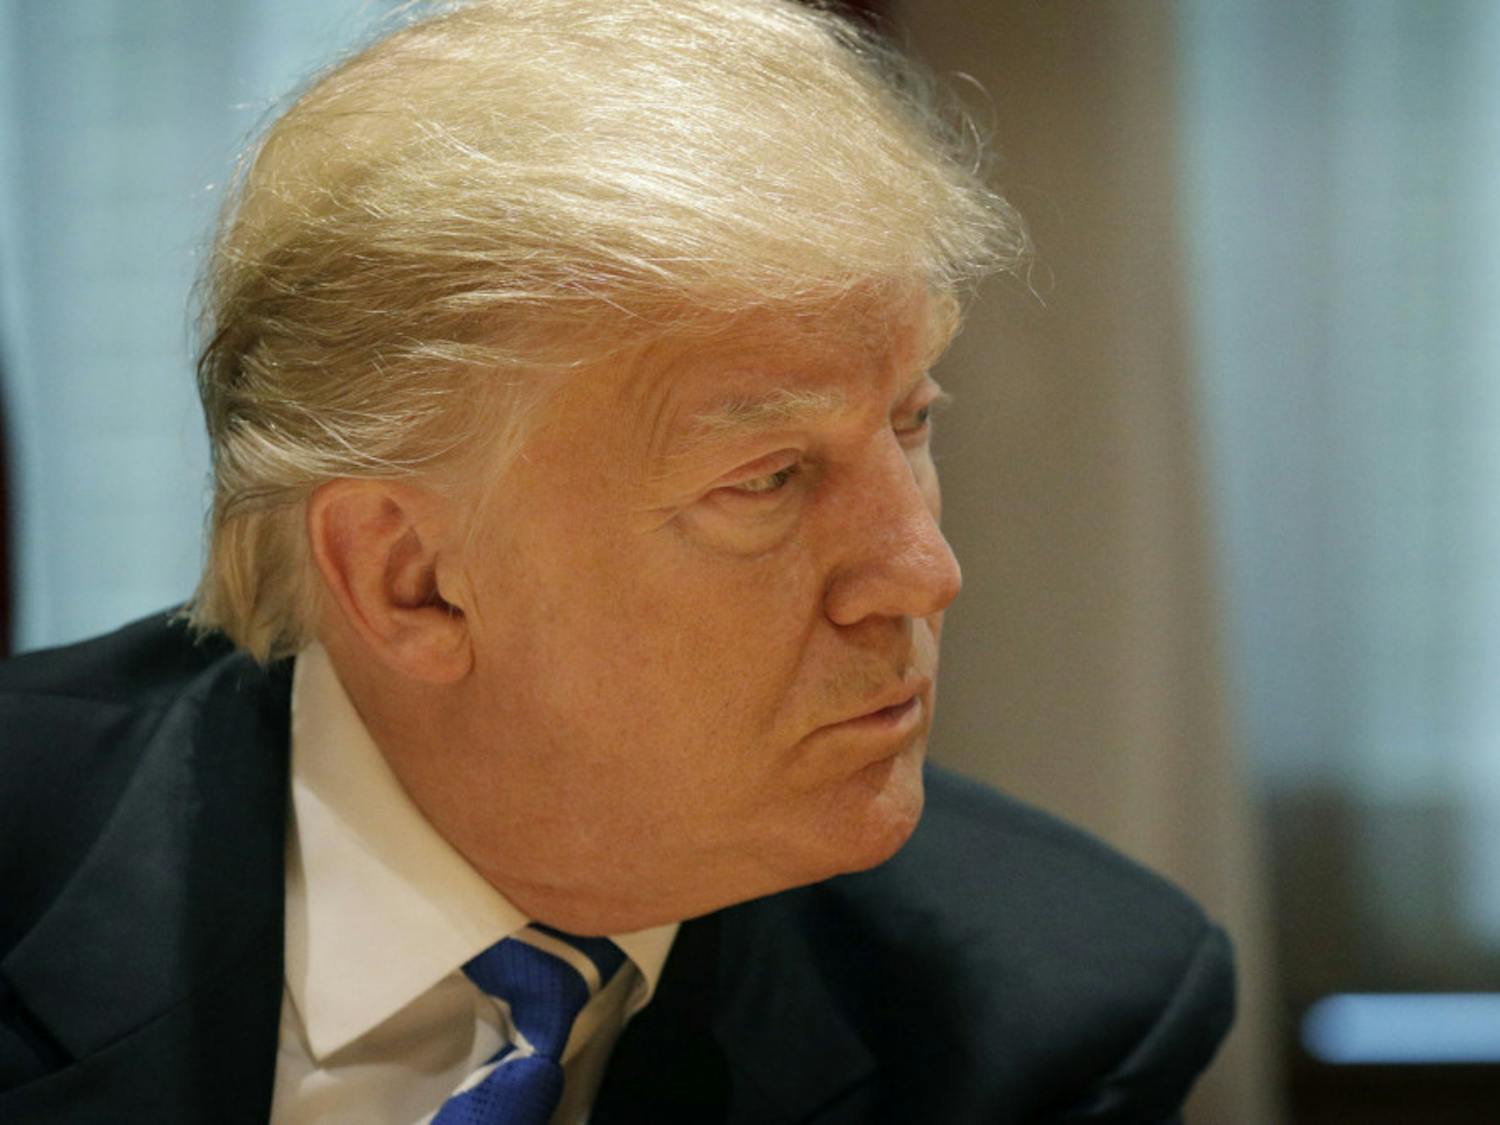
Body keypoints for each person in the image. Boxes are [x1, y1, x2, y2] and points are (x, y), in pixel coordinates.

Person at [0, 1, 1234, 1121]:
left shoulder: (1045, 1017)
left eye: (910, 425)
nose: (922, 572)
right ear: (410, 580)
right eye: (767, 479)